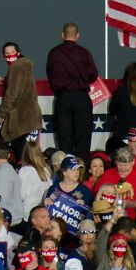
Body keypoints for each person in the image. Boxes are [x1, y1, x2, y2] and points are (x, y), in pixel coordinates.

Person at [46, 24, 99, 167]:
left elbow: (50, 74)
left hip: (62, 98)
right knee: (82, 139)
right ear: (77, 35)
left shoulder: (54, 53)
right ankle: (81, 171)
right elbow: (93, 75)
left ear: (62, 35)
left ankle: (66, 170)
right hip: (81, 98)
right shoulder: (84, 53)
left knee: (64, 140)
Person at [0, 43, 43, 161]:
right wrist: (5, 79)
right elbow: (20, 84)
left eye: (12, 52)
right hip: (32, 118)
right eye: (7, 53)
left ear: (18, 52)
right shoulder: (24, 67)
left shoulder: (15, 67)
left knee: (18, 154)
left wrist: (2, 113)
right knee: (31, 156)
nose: (10, 55)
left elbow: (12, 93)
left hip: (20, 119)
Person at [0, 141, 23, 226]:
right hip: (14, 218)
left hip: (8, 221)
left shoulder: (2, 174)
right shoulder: (10, 170)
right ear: (8, 155)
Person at [19, 141, 53, 221]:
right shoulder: (46, 170)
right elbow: (49, 190)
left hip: (29, 214)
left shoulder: (24, 171)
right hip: (43, 213)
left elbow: (21, 195)